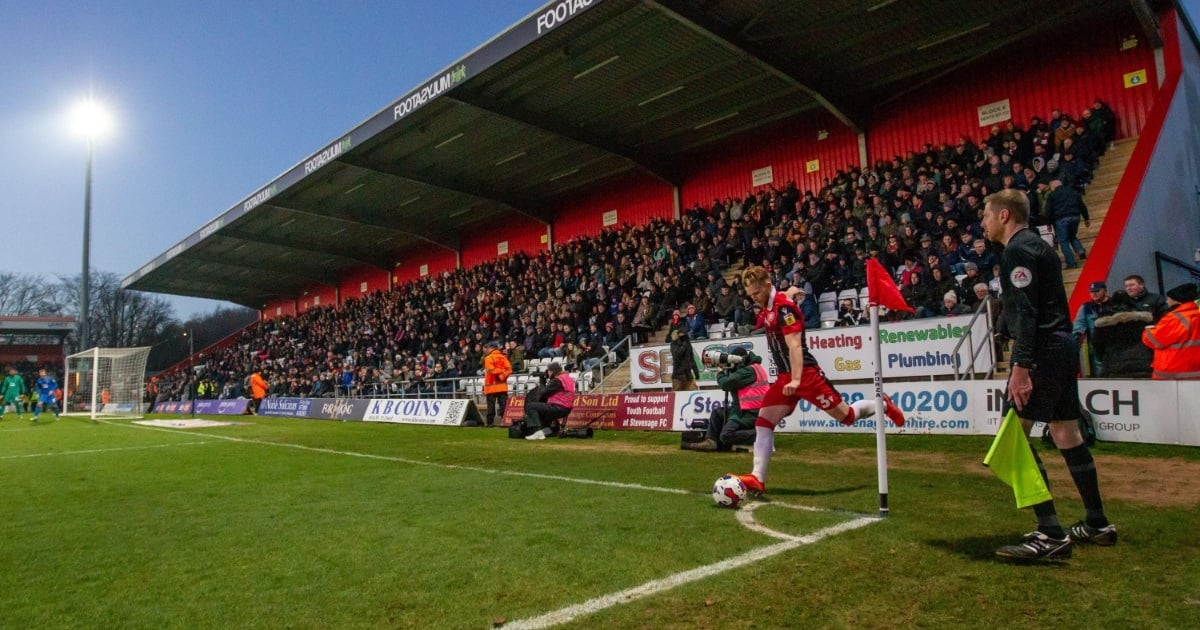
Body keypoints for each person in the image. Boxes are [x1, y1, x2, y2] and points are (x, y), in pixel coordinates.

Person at [981, 188, 1115, 560]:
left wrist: (1019, 367)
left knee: (1015, 441)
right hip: (1059, 346)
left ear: (1005, 215)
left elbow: (1027, 312)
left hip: (1041, 352)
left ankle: (1050, 533)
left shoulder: (1018, 250)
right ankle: (1096, 522)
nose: (983, 223)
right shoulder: (1037, 246)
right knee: (1066, 432)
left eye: (987, 216)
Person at [733, 265, 905, 497]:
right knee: (763, 422)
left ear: (767, 285)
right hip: (785, 377)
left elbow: (794, 345)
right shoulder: (773, 303)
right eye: (751, 295)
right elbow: (782, 295)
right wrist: (791, 292)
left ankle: (882, 404)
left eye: (756, 293)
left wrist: (795, 379)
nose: (754, 298)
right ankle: (757, 478)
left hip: (805, 375)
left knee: (847, 416)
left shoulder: (784, 309)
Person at [682, 348, 767, 452]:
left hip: (751, 413)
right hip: (743, 410)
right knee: (717, 413)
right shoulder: (753, 368)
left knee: (726, 435)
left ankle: (763, 434)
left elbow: (726, 384)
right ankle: (711, 441)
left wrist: (720, 373)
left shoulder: (748, 371)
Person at [1141, 283, 1200, 379]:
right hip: (1195, 372)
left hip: (1173, 372)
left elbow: (1155, 341)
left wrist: (1148, 330)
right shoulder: (1196, 315)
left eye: (1169, 298)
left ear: (1177, 301)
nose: (1167, 301)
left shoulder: (1174, 318)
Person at [1072, 281, 1117, 376]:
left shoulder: (1115, 305)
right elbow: (1079, 325)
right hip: (1097, 348)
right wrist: (1075, 338)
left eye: (1097, 291)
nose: (1094, 294)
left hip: (1116, 345)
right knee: (1099, 374)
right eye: (1092, 291)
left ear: (1105, 290)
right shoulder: (1086, 308)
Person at [523, 362, 574, 441]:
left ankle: (537, 432)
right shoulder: (566, 378)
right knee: (541, 408)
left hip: (558, 408)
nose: (548, 373)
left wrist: (542, 381)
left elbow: (543, 392)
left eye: (549, 371)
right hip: (566, 408)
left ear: (552, 371)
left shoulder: (557, 380)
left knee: (530, 406)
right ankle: (547, 430)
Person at [481, 340, 512, 427]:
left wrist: (499, 374)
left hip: (491, 387)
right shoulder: (503, 357)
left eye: (486, 348)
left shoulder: (488, 358)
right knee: (503, 405)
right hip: (502, 387)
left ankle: (490, 423)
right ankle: (505, 422)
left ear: (491, 348)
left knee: (491, 406)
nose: (485, 350)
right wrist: (502, 376)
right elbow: (509, 370)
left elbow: (491, 370)